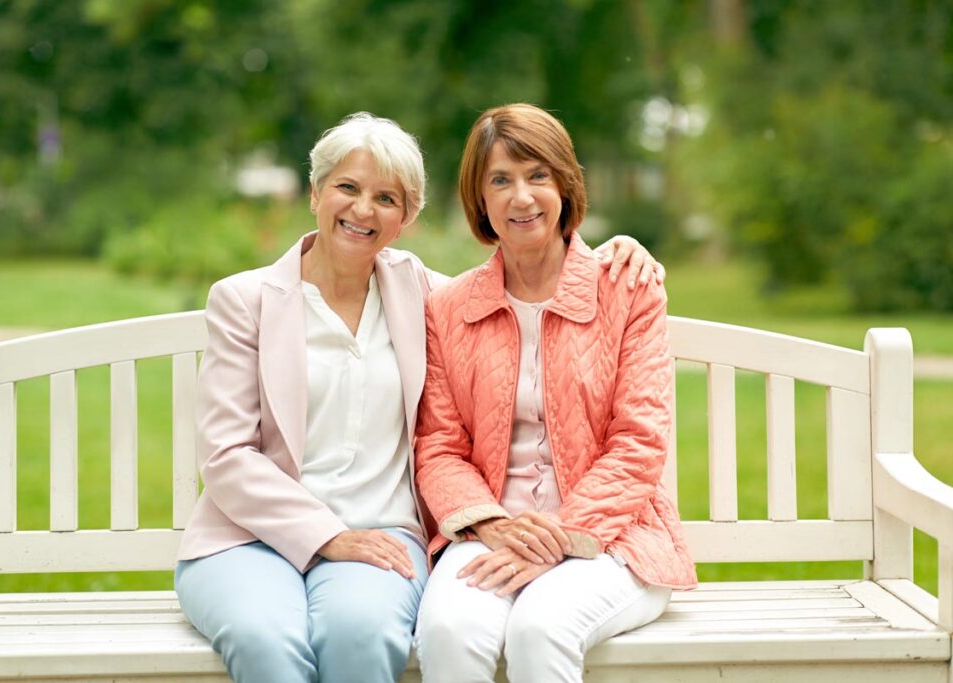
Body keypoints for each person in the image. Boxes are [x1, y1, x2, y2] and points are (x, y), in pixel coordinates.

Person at [174, 111, 664, 683]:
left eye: (386, 197)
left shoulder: (424, 293)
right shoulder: (247, 301)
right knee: (267, 641)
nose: (363, 210)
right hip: (250, 536)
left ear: (406, 217)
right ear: (314, 193)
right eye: (347, 188)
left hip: (382, 535)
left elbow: (543, 270)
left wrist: (621, 249)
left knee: (360, 635)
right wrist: (328, 537)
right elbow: (228, 456)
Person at [413, 103, 698, 683]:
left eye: (538, 175)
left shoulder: (627, 288)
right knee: (446, 631)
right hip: (490, 529)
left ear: (565, 186)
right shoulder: (448, 307)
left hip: (612, 536)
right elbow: (439, 447)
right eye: (501, 180)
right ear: (480, 200)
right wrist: (494, 526)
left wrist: (561, 535)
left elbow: (639, 442)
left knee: (540, 628)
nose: (522, 197)